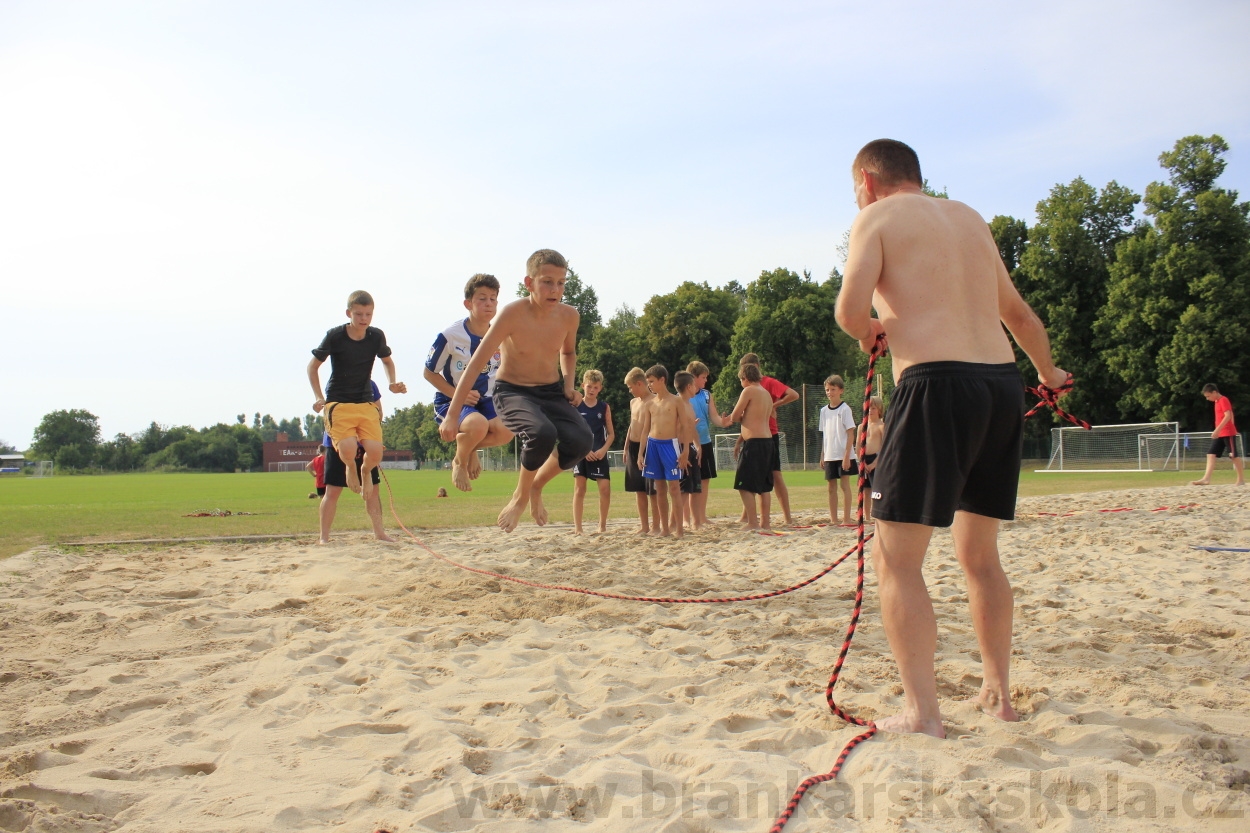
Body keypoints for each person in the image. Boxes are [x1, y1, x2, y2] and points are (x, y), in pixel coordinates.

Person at [834, 138, 1068, 738]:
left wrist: (868, 333)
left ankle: (923, 714)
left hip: (935, 386)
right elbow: (1018, 315)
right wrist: (1049, 375)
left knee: (897, 560)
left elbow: (849, 310)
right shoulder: (968, 217)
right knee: (979, 557)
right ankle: (999, 694)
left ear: (866, 179)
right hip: (999, 387)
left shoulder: (875, 217)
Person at [439, 249, 593, 532]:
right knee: (542, 433)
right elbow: (474, 366)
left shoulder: (569, 316)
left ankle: (535, 488)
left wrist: (569, 385)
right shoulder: (512, 313)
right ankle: (519, 497)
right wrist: (451, 415)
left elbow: (568, 352)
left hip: (550, 391)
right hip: (513, 392)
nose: (555, 290)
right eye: (547, 281)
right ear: (529, 282)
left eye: (561, 283)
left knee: (582, 440)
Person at [308, 290, 406, 501]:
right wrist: (318, 396)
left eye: (368, 314)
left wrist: (392, 383)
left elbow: (387, 361)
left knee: (375, 451)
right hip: (339, 401)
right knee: (348, 447)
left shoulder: (376, 336)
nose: (364, 319)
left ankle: (364, 471)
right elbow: (312, 367)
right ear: (348, 313)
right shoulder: (335, 336)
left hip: (364, 401)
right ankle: (351, 467)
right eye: (359, 314)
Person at [424, 273, 514, 492]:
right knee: (478, 425)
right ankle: (459, 462)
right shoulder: (450, 336)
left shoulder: (501, 334)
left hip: (486, 399)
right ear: (468, 303)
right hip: (452, 399)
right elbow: (429, 373)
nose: (488, 304)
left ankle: (468, 447)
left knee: (508, 429)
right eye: (482, 298)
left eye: (493, 298)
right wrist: (459, 394)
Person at [316, 382, 394, 544]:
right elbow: (330, 415)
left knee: (373, 492)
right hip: (338, 444)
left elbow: (378, 413)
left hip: (365, 443)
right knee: (332, 492)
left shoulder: (370, 385)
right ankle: (324, 537)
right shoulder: (335, 384)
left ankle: (380, 533)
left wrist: (369, 436)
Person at [737, 353, 798, 525]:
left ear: (755, 367)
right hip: (755, 435)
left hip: (769, 434)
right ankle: (748, 517)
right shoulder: (749, 387)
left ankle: (787, 517)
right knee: (752, 476)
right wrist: (740, 439)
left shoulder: (768, 383)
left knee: (774, 475)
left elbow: (793, 394)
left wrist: (774, 405)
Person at [636, 365, 690, 538]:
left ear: (662, 380)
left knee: (674, 487)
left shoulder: (676, 401)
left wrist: (685, 451)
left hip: (670, 445)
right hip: (653, 446)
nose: (649, 385)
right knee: (659, 488)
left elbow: (686, 426)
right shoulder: (650, 403)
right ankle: (664, 529)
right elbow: (645, 430)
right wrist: (640, 453)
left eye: (652, 381)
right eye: (647, 382)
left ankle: (679, 530)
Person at [728, 363, 774, 530]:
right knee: (764, 486)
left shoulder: (748, 390)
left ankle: (753, 522)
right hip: (768, 442)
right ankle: (765, 522)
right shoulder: (766, 394)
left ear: (745, 378)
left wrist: (740, 418)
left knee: (744, 484)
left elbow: (735, 416)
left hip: (754, 443)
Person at [686, 361, 732, 527]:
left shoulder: (707, 395)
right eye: (703, 377)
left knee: (705, 480)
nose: (706, 380)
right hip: (688, 444)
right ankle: (690, 519)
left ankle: (702, 516)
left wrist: (723, 422)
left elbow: (714, 417)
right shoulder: (681, 397)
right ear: (694, 377)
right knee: (690, 482)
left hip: (705, 442)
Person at [571, 369, 615, 534]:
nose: (592, 390)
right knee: (579, 489)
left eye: (595, 387)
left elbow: (611, 434)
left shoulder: (604, 407)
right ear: (583, 385)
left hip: (599, 453)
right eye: (589, 386)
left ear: (600, 389)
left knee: (605, 489)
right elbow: (572, 432)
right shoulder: (576, 406)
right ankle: (578, 528)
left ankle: (602, 525)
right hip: (581, 453)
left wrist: (603, 450)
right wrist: (584, 450)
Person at [622, 367, 661, 535]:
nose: (630, 391)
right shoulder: (633, 403)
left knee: (652, 490)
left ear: (639, 383)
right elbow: (632, 426)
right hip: (633, 447)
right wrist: (625, 447)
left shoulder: (654, 401)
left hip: (650, 448)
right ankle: (644, 525)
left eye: (631, 387)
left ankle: (657, 526)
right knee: (638, 489)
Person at [819, 375, 858, 526]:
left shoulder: (845, 409)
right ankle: (834, 519)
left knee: (844, 486)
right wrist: (822, 455)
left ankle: (846, 518)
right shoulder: (823, 411)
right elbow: (824, 435)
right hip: (830, 454)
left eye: (833, 389)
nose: (830, 392)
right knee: (831, 487)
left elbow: (850, 433)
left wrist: (847, 456)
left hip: (843, 454)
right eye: (827, 390)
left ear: (840, 390)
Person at [1191, 384, 1246, 486]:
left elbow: (1228, 415)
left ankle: (1241, 479)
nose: (1208, 399)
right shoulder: (1217, 402)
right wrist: (1219, 431)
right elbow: (1230, 414)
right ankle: (1206, 479)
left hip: (1227, 432)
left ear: (1214, 392)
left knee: (1233, 456)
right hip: (1221, 433)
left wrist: (1217, 430)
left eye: (1208, 396)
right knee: (1211, 453)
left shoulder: (1223, 400)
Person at [674, 371, 704, 529]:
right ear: (688, 386)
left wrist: (698, 446)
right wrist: (682, 452)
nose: (696, 388)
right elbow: (677, 430)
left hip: (691, 448)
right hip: (680, 449)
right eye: (694, 385)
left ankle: (697, 522)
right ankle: (675, 523)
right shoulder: (676, 404)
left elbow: (692, 429)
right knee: (683, 489)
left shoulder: (690, 405)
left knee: (696, 488)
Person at [861, 395, 886, 522]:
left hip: (877, 460)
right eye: (868, 407)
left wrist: (874, 464)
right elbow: (858, 446)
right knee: (865, 490)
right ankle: (867, 516)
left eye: (873, 408)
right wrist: (862, 462)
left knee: (876, 491)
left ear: (879, 409)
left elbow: (884, 448)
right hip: (864, 460)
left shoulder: (882, 426)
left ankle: (877, 514)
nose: (870, 410)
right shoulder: (862, 427)